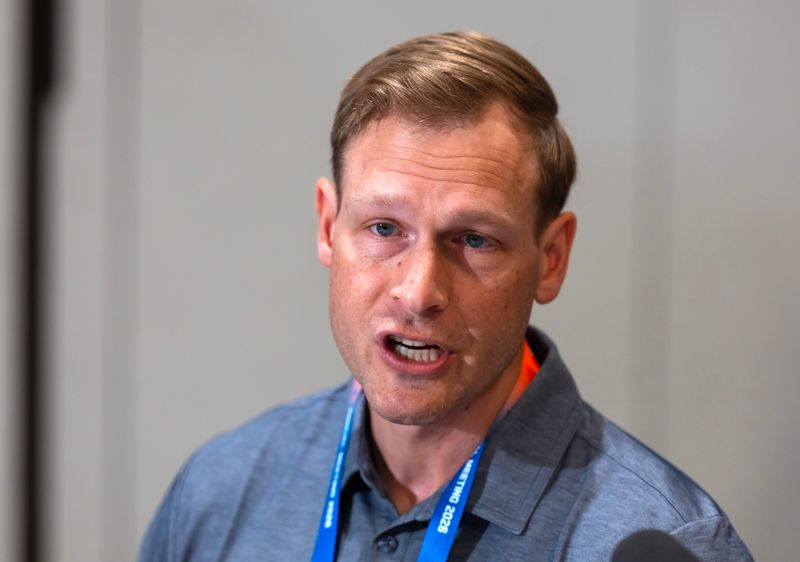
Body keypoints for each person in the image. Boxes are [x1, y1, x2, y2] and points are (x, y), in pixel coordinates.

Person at [139, 31, 753, 561]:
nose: (419, 292)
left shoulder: (661, 540)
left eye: (474, 240)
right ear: (328, 226)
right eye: (384, 228)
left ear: (551, 259)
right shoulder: (218, 494)